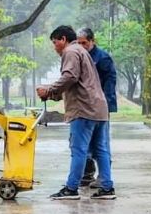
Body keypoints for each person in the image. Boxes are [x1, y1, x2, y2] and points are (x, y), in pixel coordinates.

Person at [36, 25, 116, 200]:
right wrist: (54, 94)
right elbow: (76, 82)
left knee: (78, 149)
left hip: (84, 110)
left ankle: (71, 189)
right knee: (101, 149)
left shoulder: (71, 51)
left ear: (63, 39)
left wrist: (49, 90)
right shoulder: (82, 51)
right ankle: (107, 188)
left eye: (55, 42)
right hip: (99, 108)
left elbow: (70, 77)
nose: (55, 47)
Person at [76, 27, 117, 187]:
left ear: (92, 41)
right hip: (84, 106)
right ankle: (87, 173)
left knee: (101, 142)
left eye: (84, 43)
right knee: (83, 141)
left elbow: (110, 82)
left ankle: (104, 176)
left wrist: (105, 103)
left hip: (100, 106)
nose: (81, 46)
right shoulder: (79, 57)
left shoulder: (102, 58)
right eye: (79, 43)